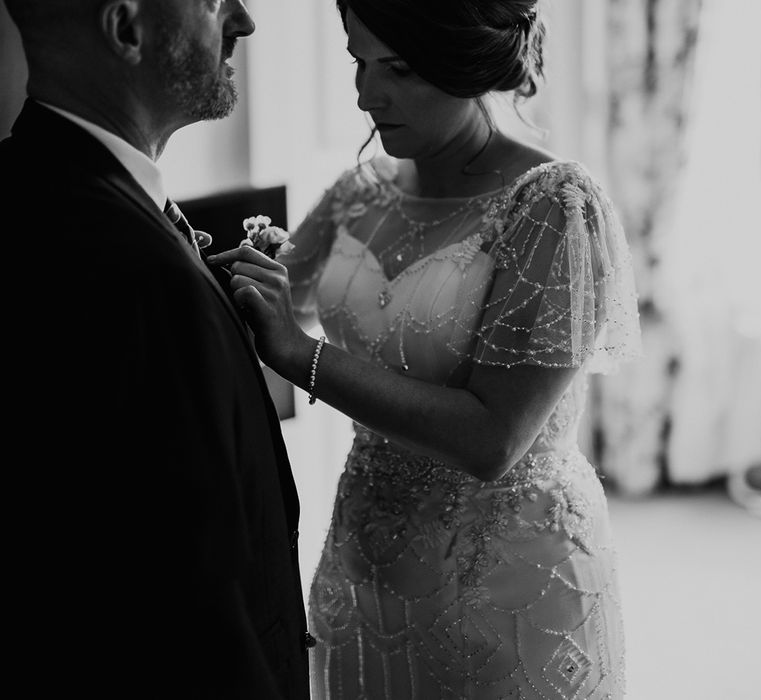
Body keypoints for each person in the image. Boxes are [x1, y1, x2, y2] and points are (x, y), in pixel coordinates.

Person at [210, 0, 642, 697]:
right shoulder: (361, 191)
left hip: (507, 579)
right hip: (364, 562)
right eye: (359, 61)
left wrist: (301, 356)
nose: (365, 94)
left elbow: (493, 438)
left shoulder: (554, 206)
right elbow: (276, 295)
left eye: (399, 69)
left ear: (466, 63)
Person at [1, 1, 311, 698]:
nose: (244, 21)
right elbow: (189, 612)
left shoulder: (34, 189)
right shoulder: (135, 272)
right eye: (212, 3)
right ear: (127, 29)